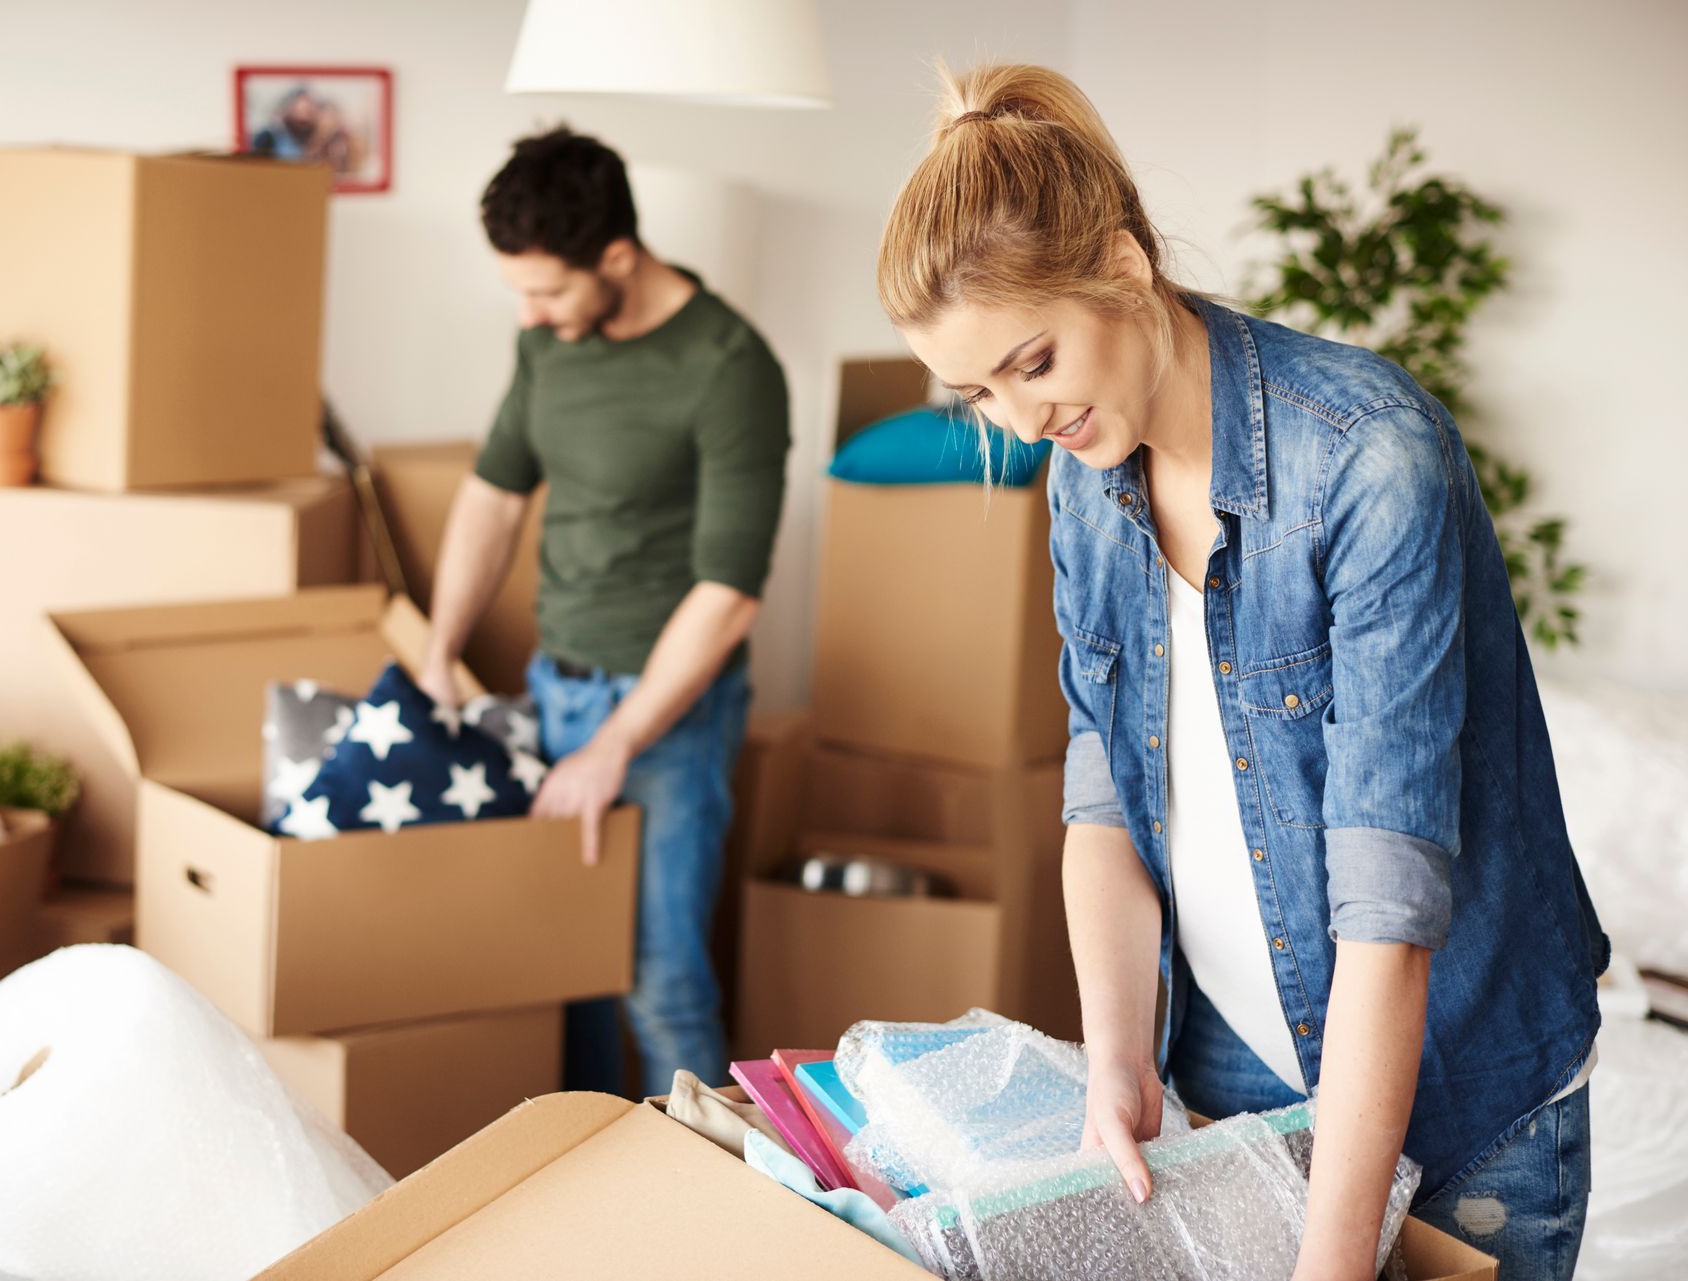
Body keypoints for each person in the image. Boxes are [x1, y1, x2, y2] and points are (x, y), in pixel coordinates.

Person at [876, 64, 1605, 1280]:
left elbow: (1387, 916)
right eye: (978, 393)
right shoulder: (1082, 477)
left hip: (1465, 1093)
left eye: (1032, 362)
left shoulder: (1371, 462)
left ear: (1118, 265)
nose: (1016, 419)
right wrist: (1118, 1059)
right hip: (1233, 1075)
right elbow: (1103, 788)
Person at [418, 126, 790, 1099]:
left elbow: (730, 592)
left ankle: (713, 1215)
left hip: (667, 714)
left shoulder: (729, 366)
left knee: (661, 986)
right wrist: (439, 645)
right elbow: (494, 497)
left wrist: (614, 744)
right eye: (519, 292)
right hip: (553, 692)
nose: (530, 314)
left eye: (547, 290)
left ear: (618, 258)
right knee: (567, 974)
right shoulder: (547, 345)